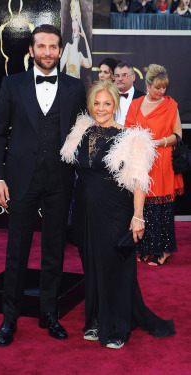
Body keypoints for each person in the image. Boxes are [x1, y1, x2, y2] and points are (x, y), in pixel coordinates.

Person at [0, 24, 86, 347]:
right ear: (31, 50)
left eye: (52, 47)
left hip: (60, 180)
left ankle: (49, 314)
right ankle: (9, 318)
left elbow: (82, 135)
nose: (46, 52)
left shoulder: (75, 87)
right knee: (17, 250)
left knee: (54, 250)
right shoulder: (12, 84)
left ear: (60, 51)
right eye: (40, 46)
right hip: (20, 180)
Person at [60, 80, 176, 349]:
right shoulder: (80, 132)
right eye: (96, 103)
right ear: (90, 105)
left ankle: (119, 327)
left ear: (116, 105)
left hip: (116, 212)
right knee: (91, 266)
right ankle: (97, 320)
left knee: (116, 267)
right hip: (84, 212)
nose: (101, 109)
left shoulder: (130, 137)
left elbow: (138, 182)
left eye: (107, 103)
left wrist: (138, 217)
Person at [125, 64, 184, 266]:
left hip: (163, 161)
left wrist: (160, 142)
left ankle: (164, 250)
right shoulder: (136, 104)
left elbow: (178, 135)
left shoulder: (171, 105)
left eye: (164, 88)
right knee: (144, 207)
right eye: (158, 87)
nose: (162, 92)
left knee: (163, 209)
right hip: (142, 162)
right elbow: (128, 132)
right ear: (148, 85)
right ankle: (145, 248)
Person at [60, 0, 92, 78]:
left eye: (76, 20)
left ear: (79, 24)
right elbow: (60, 68)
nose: (74, 24)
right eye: (73, 20)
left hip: (77, 87)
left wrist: (85, 38)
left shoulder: (80, 55)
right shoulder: (68, 47)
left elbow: (89, 64)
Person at [114, 61, 144, 126]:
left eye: (124, 75)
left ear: (133, 77)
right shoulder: (109, 96)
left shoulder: (143, 98)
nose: (120, 79)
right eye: (117, 76)